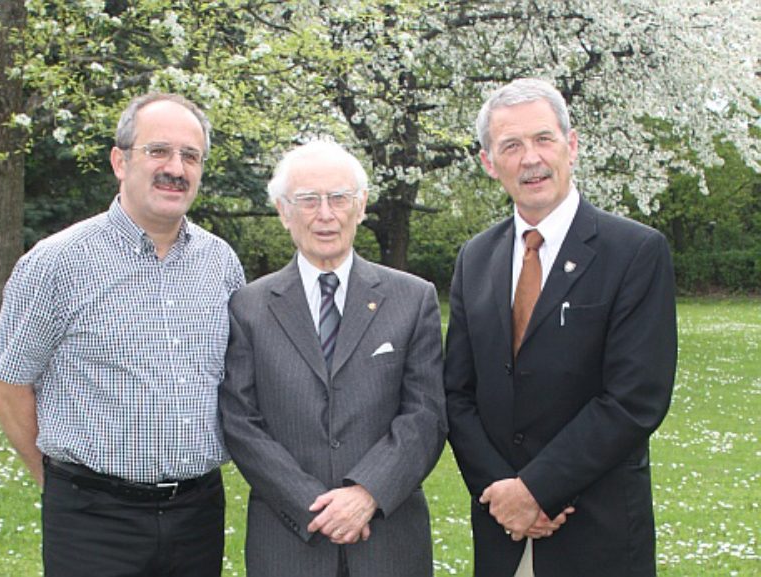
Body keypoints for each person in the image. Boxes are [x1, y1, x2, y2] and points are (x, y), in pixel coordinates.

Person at [0, 92, 245, 577]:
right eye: (159, 151)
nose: (176, 167)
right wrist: (53, 478)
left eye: (191, 156)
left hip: (198, 512)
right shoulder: (55, 263)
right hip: (92, 519)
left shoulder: (221, 264)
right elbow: (8, 386)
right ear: (119, 161)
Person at [443, 78, 677, 577]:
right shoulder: (475, 259)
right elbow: (458, 394)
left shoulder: (634, 252)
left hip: (598, 534)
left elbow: (636, 398)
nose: (531, 158)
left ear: (571, 146)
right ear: (489, 163)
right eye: (511, 145)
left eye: (543, 139)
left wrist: (538, 490)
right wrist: (503, 495)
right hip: (501, 533)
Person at [219, 139, 447, 577]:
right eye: (308, 200)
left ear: (360, 206)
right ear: (284, 212)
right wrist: (317, 507)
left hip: (388, 539)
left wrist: (366, 494)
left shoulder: (412, 298)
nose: (326, 214)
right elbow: (241, 423)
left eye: (339, 198)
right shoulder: (248, 306)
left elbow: (425, 414)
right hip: (288, 543)